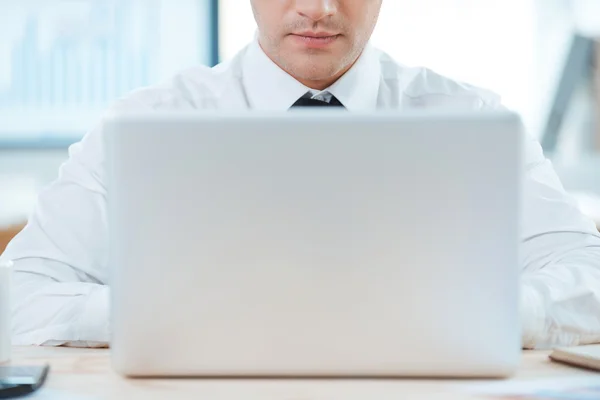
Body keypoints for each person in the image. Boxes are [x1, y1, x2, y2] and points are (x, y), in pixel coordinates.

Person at [2, 0, 600, 349]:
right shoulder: (142, 125)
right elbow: (18, 296)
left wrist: (470, 315)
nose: (318, 8)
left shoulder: (475, 122)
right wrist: (178, 316)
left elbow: (589, 278)